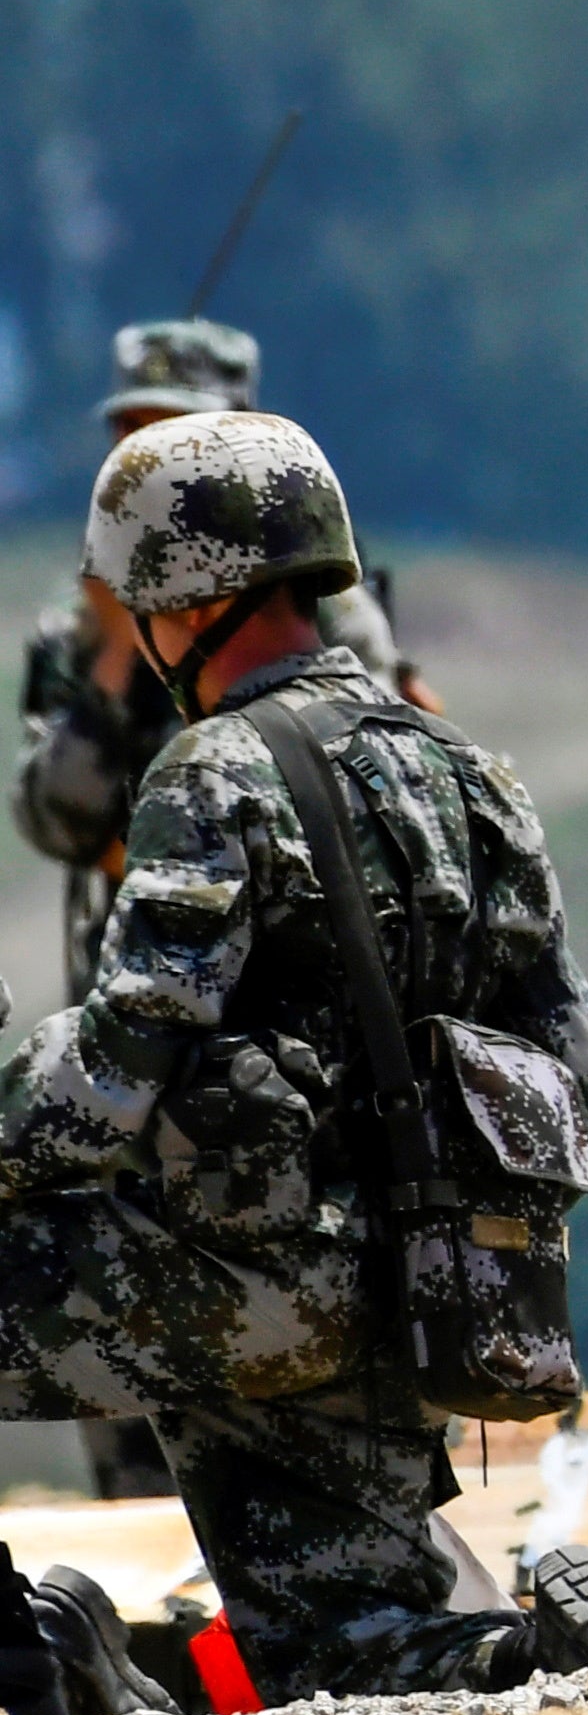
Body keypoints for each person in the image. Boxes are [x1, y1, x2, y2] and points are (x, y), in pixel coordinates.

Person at [0, 413, 588, 1696]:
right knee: (350, 1653)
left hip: (245, 1282)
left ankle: (8, 1655)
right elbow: (581, 1072)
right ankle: (541, 1665)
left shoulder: (210, 772)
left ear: (166, 594)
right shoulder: (470, 770)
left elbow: (107, 1083)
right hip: (441, 1300)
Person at [12, 317, 427, 1504]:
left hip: (298, 1036)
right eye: (134, 437)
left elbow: (374, 785)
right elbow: (54, 812)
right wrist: (111, 647)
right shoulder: (86, 629)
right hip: (147, 1003)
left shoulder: (320, 625)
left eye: (180, 436)